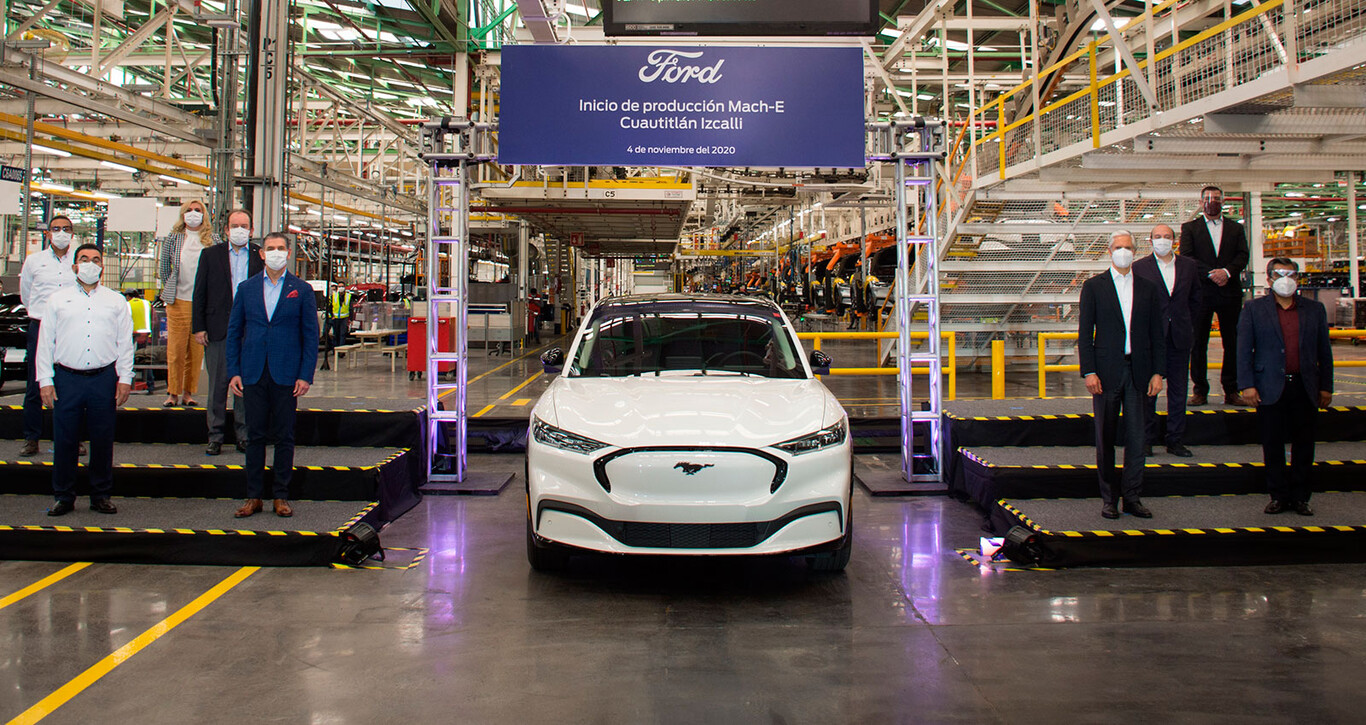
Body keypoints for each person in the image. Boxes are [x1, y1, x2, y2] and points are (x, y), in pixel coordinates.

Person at [36, 244, 133, 516]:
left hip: (103, 378)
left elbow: (125, 343)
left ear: (102, 266)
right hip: (67, 378)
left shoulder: (116, 301)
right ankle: (64, 496)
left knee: (102, 439)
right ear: (75, 265)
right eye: (84, 259)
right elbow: (46, 341)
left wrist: (125, 377)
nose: (90, 263)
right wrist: (45, 380)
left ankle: (100, 495)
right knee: (65, 439)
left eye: (96, 259)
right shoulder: (57, 300)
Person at [226, 232, 319, 518]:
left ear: (288, 253)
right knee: (254, 437)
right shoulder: (246, 288)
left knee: (284, 437)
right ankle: (253, 496)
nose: (275, 252)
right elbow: (234, 332)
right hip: (253, 372)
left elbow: (310, 336)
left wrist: (305, 374)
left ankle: (281, 496)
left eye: (280, 248)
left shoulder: (301, 290)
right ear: (262, 253)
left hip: (286, 375)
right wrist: (234, 371)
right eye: (270, 248)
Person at [1078, 230, 1166, 520]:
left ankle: (1132, 497)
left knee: (1137, 439)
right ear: (1109, 251)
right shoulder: (1094, 287)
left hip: (1139, 372)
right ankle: (1108, 499)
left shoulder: (1148, 288)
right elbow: (1085, 333)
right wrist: (1089, 371)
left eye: (1128, 247)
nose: (1123, 252)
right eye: (1118, 247)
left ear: (1135, 251)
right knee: (1105, 438)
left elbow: (1157, 334)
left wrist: (1158, 372)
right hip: (1105, 373)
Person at [1237, 258, 1333, 516]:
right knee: (1272, 444)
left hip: (1305, 386)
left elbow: (1324, 351)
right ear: (1269, 279)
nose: (1286, 280)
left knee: (1305, 444)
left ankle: (1301, 497)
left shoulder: (1315, 309)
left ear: (1298, 279)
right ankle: (1278, 496)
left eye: (1291, 275)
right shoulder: (1253, 309)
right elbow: (1243, 350)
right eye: (1280, 274)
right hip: (1269, 387)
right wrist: (1247, 385)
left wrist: (1326, 386)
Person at [192, 209, 262, 456]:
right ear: (226, 230)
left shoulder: (260, 256)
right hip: (218, 329)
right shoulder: (210, 255)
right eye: (235, 225)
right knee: (217, 387)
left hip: (250, 330)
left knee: (246, 386)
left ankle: (244, 435)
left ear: (251, 230)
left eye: (244, 226)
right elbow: (199, 292)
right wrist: (199, 326)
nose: (239, 230)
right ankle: (215, 436)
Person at [1132, 224, 1203, 458]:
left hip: (1179, 337)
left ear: (1175, 240)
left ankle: (1175, 440)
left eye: (1167, 236)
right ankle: (1146, 440)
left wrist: (1186, 322)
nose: (1162, 240)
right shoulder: (1139, 267)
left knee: (1178, 391)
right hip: (1151, 339)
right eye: (1157, 236)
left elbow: (1196, 299)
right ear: (1150, 240)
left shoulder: (1189, 266)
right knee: (1148, 392)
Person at [1180, 185, 1250, 406]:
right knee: (1198, 343)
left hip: (1230, 291)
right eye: (1208, 199)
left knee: (1233, 342)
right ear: (1201, 202)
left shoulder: (1236, 228)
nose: (1213, 202)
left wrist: (1227, 272)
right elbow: (1187, 256)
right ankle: (1200, 390)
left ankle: (1232, 390)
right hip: (1201, 292)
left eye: (1217, 198)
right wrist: (1212, 274)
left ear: (1224, 201)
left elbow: (1243, 255)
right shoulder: (1190, 228)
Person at [18, 215, 78, 457]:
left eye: (66, 229)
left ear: (72, 233)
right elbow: (26, 294)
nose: (61, 233)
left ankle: (71, 438)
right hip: (41, 326)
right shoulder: (34, 261)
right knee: (35, 383)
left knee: (70, 385)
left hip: (70, 328)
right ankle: (31, 438)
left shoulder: (79, 260)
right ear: (48, 233)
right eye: (56, 228)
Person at [157, 200, 219, 407]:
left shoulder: (214, 239)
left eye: (198, 210)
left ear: (204, 214)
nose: (193, 213)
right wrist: (170, 287)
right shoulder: (173, 238)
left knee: (196, 351)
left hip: (203, 303)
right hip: (178, 301)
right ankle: (172, 393)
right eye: (189, 210)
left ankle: (188, 393)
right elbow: (164, 268)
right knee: (175, 350)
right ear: (183, 214)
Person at [126, 289, 157, 393]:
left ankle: (128, 384)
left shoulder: (127, 304)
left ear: (128, 296)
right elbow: (154, 320)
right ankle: (150, 385)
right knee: (146, 360)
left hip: (132, 336)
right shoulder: (147, 304)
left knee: (128, 360)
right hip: (146, 336)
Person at [328, 283, 354, 349]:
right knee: (336, 334)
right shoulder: (334, 296)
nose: (341, 288)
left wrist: (351, 319)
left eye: (342, 286)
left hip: (344, 318)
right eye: (339, 286)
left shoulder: (348, 296)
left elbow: (351, 308)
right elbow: (330, 306)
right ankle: (335, 349)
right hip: (335, 318)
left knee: (342, 334)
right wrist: (332, 315)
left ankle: (341, 350)